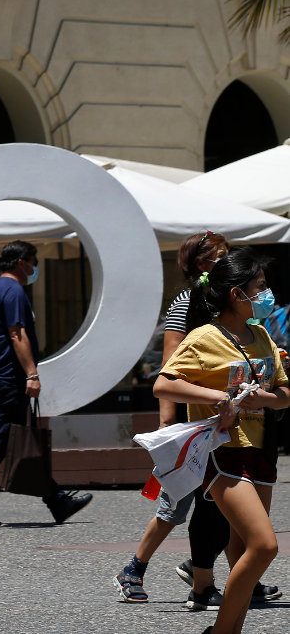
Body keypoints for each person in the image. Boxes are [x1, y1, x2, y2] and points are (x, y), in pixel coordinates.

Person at [154, 246, 288, 634]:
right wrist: (218, 398)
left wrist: (263, 397)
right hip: (222, 452)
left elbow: (284, 392)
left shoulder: (262, 335)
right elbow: (164, 384)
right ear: (237, 293)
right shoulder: (204, 337)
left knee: (244, 551)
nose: (267, 295)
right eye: (260, 287)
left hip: (260, 452)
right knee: (264, 546)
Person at [114, 231, 233, 603]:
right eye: (222, 256)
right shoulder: (187, 301)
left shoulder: (225, 301)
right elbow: (169, 366)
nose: (229, 262)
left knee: (225, 502)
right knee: (176, 503)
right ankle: (133, 568)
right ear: (203, 264)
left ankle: (230, 573)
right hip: (190, 421)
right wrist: (168, 428)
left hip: (220, 417)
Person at [0, 240, 93, 527]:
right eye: (34, 261)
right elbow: (16, 334)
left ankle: (57, 501)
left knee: (12, 440)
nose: (35, 268)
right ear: (22, 262)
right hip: (11, 377)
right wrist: (32, 374)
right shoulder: (13, 292)